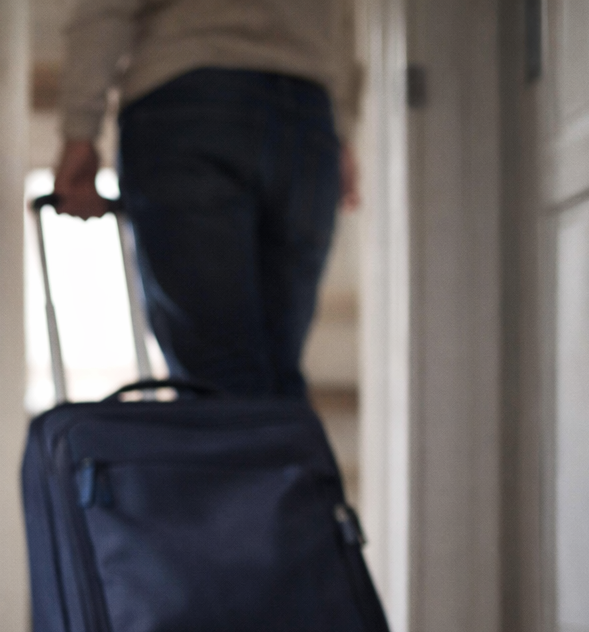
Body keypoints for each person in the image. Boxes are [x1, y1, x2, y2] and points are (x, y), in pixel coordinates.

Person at [54, 0, 361, 399]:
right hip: (308, 110)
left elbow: (106, 8)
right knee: (278, 370)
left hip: (188, 90)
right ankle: (270, 438)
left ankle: (230, 436)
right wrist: (341, 130)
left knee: (217, 373)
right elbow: (342, 21)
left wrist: (80, 131)